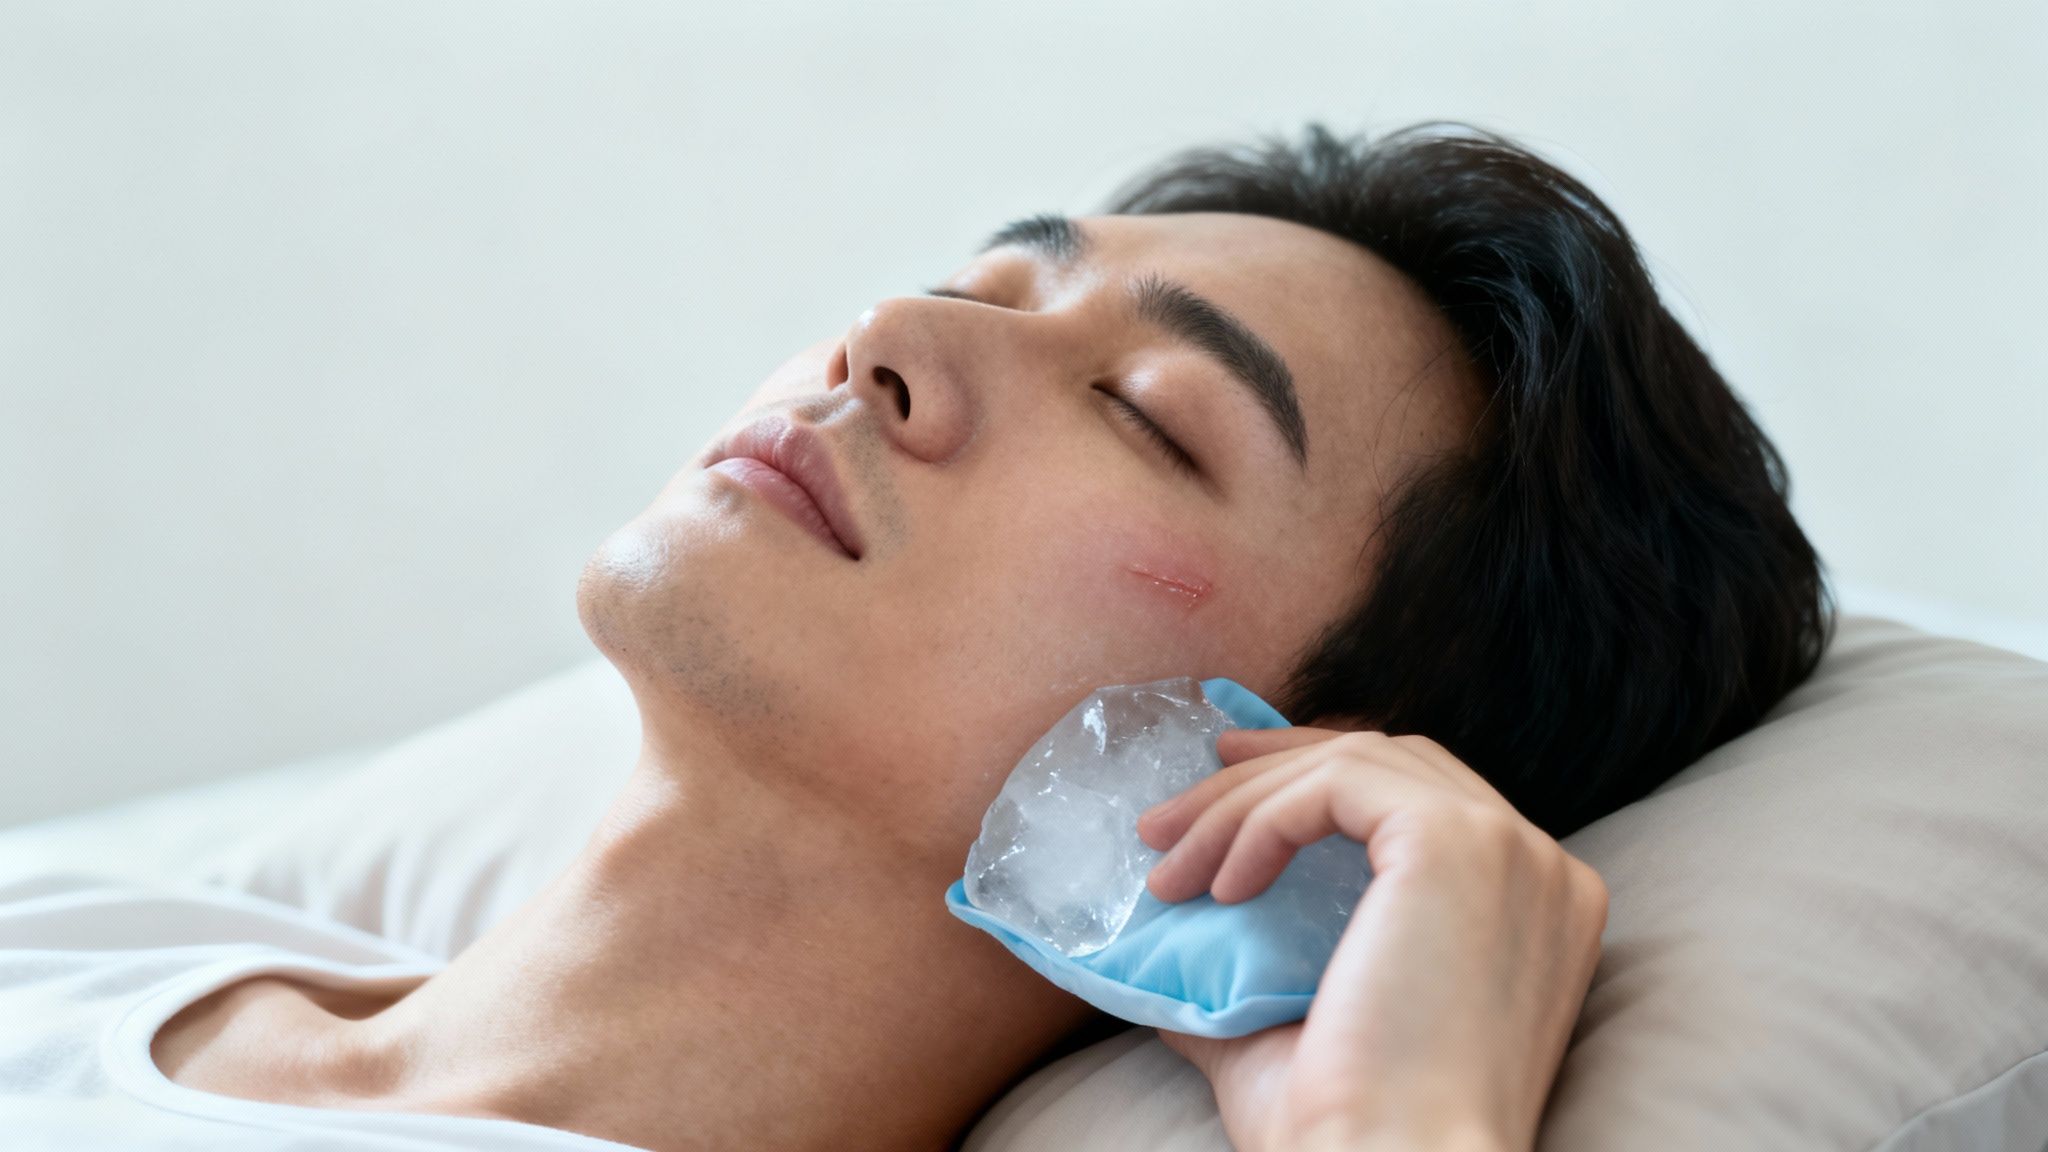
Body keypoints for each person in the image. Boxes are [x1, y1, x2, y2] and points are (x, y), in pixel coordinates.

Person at [0, 124, 1828, 1152]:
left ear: (1276, 778)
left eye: (1143, 409)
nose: (887, 336)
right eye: (978, 287)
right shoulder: (73, 937)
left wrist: (1394, 1119)